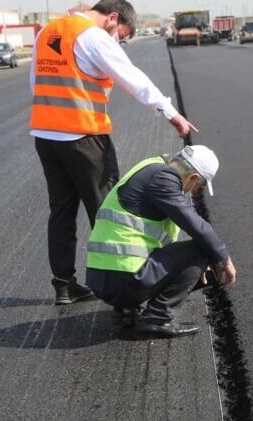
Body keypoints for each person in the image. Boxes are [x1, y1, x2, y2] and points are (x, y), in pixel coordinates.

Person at [29, 0, 198, 305]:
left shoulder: (47, 33)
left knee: (61, 211)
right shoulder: (92, 36)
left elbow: (36, 83)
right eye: (122, 34)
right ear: (112, 19)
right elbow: (131, 77)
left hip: (45, 135)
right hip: (83, 136)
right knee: (109, 209)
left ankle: (64, 285)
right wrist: (171, 113)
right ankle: (119, 286)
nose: (119, 41)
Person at [85, 145, 237, 337]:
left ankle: (125, 310)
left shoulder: (151, 166)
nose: (196, 193)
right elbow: (197, 226)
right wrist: (223, 257)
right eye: (200, 186)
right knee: (203, 249)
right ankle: (156, 319)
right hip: (122, 278)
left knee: (194, 255)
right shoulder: (163, 179)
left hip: (102, 276)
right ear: (192, 178)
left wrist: (188, 269)